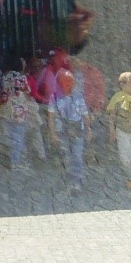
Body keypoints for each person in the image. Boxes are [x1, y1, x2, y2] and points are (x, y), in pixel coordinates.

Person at [47, 61, 91, 193]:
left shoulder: (78, 97)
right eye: (65, 81)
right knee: (66, 156)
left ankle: (76, 182)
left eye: (70, 81)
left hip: (77, 130)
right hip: (62, 131)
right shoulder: (54, 97)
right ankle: (68, 180)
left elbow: (85, 115)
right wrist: (53, 133)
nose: (68, 83)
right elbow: (51, 117)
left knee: (77, 156)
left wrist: (88, 130)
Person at [0, 56, 38, 169]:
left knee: (11, 135)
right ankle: (15, 161)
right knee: (19, 135)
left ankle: (15, 159)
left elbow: (3, 93)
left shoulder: (4, 77)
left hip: (7, 108)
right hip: (19, 110)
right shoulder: (21, 77)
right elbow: (27, 92)